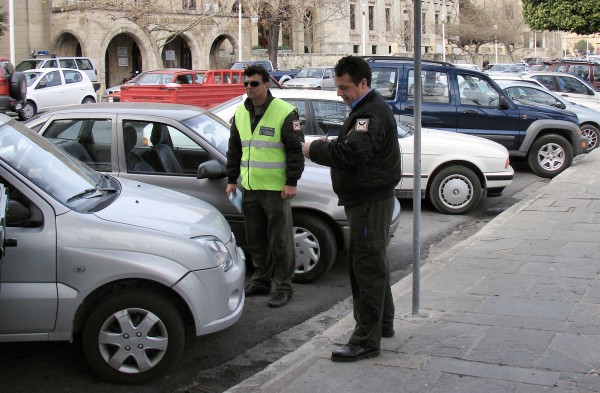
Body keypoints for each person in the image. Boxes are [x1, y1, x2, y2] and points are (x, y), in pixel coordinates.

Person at [302, 56, 401, 362]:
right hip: (368, 200)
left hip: (369, 203)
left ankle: (365, 341)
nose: (339, 93)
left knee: (366, 270)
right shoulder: (366, 109)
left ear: (363, 83)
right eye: (337, 86)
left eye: (344, 87)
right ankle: (382, 325)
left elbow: (353, 153)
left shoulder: (369, 113)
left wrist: (314, 148)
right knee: (374, 265)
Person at [225, 65, 304, 308]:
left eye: (254, 83)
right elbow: (234, 149)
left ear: (266, 85)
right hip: (250, 188)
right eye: (246, 83)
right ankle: (261, 280)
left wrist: (291, 182)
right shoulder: (240, 112)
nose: (249, 87)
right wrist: (231, 180)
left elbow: (295, 152)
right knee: (256, 240)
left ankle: (283, 287)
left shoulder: (284, 112)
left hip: (276, 190)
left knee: (280, 241)